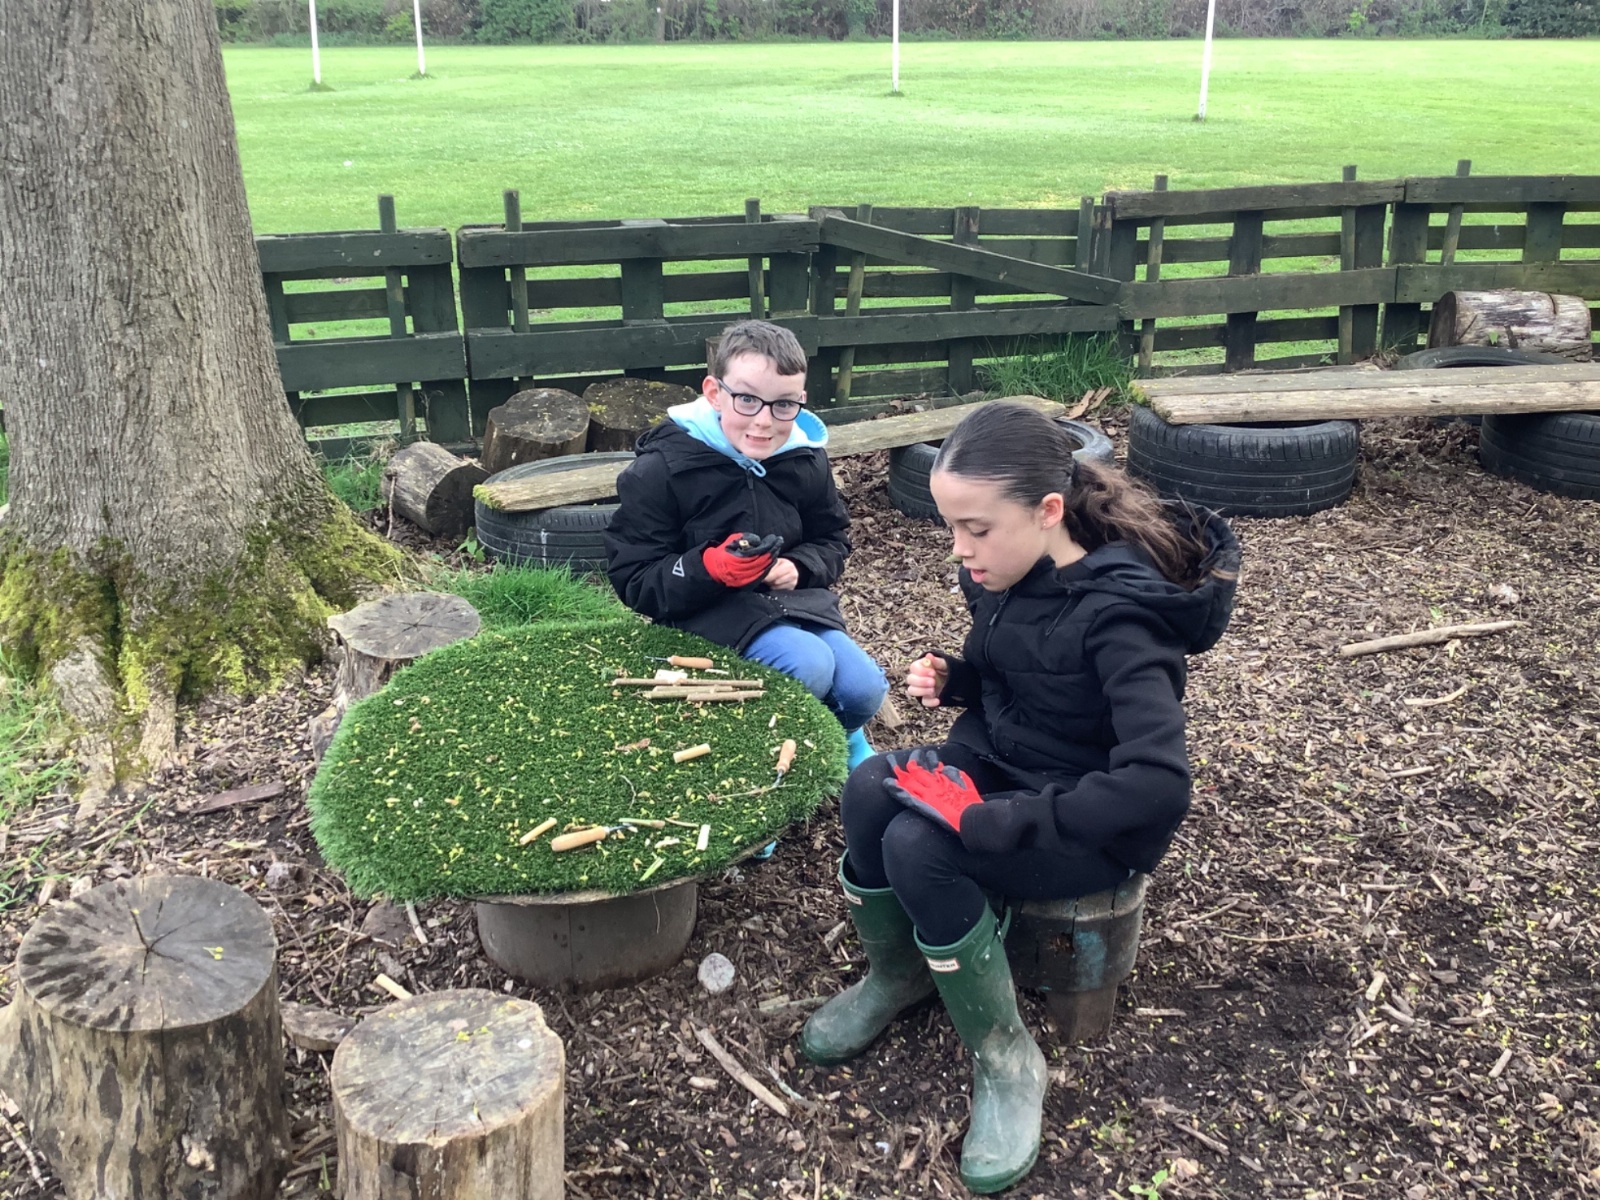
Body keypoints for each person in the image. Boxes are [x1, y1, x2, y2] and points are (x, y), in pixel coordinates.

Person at [799, 400, 1240, 1195]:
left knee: (916, 847)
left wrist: (996, 821)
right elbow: (1030, 682)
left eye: (975, 528)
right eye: (951, 527)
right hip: (1007, 767)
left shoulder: (1123, 619)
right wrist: (962, 680)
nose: (959, 550)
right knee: (868, 788)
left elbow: (1157, 782)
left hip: (1086, 826)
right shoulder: (1005, 570)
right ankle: (900, 975)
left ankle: (1006, 1057)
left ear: (1047, 511)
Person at [604, 319, 888, 774]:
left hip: (793, 605)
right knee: (809, 665)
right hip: (701, 615)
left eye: (784, 404)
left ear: (800, 400)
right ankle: (759, 753)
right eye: (747, 399)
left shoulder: (805, 458)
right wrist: (708, 568)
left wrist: (801, 566)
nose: (764, 420)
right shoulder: (661, 470)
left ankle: (841, 734)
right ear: (714, 393)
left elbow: (833, 538)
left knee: (864, 688)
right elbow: (634, 576)